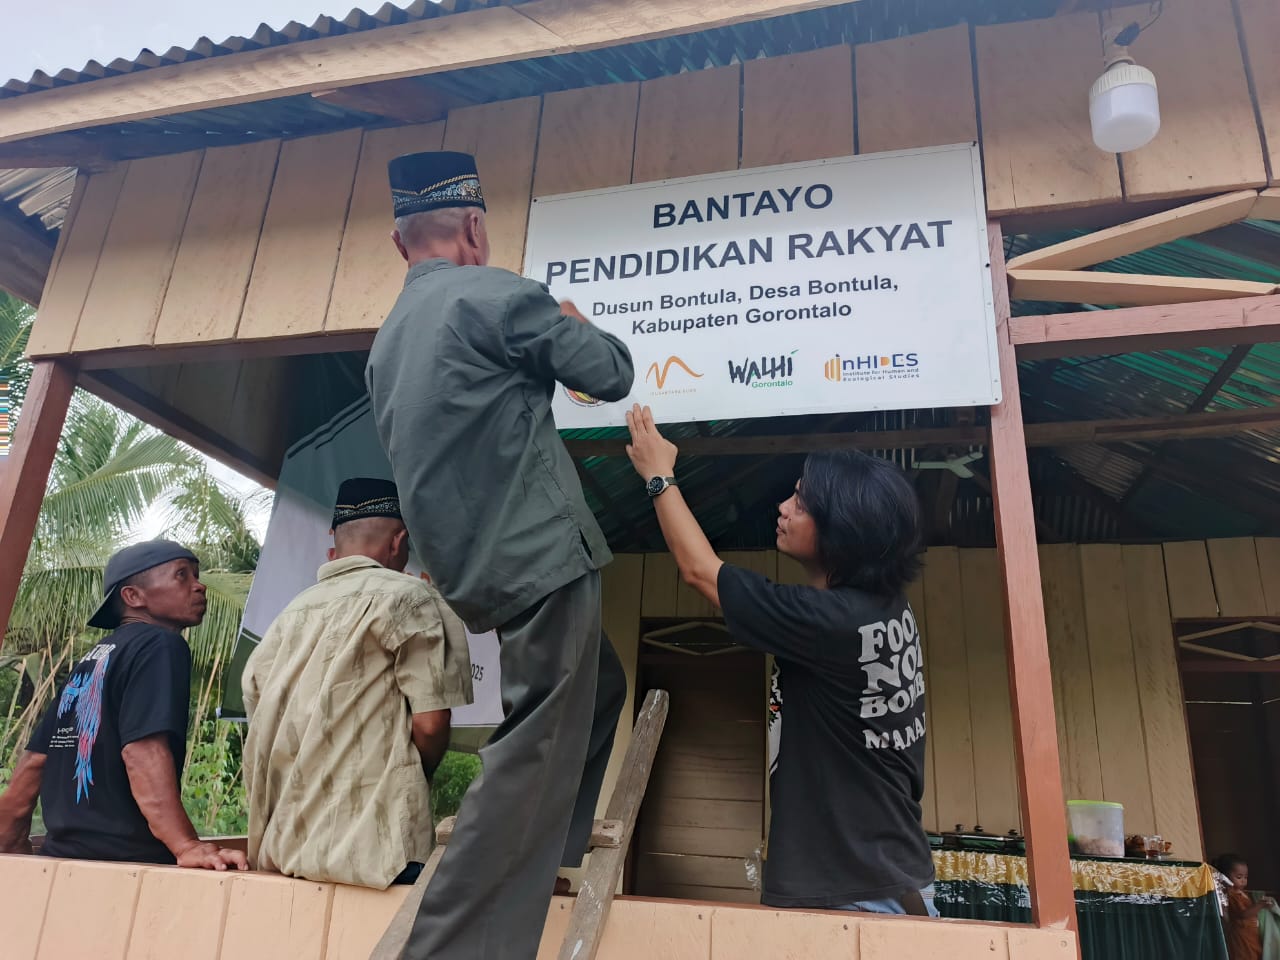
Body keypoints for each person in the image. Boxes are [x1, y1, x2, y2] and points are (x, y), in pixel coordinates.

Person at [365, 151, 633, 959]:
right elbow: (609, 373)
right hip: (541, 556)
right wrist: (578, 326)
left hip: (479, 573)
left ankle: (544, 849)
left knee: (601, 689)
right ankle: (448, 948)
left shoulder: (386, 344)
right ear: (474, 229)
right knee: (531, 750)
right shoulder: (495, 293)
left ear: (398, 242)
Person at [624, 404, 935, 915]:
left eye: (801, 502)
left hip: (850, 901)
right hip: (888, 881)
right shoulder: (885, 608)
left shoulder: (830, 623)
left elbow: (701, 572)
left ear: (842, 529)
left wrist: (659, 475)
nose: (783, 507)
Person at [241, 478, 474, 889]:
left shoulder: (290, 614)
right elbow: (431, 724)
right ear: (399, 540)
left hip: (287, 853)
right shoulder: (408, 597)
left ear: (337, 542)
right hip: (378, 857)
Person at [0, 541, 247, 871]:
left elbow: (35, 760)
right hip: (128, 866)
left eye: (196, 575)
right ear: (133, 597)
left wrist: (12, 845)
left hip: (61, 861)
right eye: (181, 575)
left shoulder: (94, 657)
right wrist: (186, 845)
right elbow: (142, 751)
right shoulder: (160, 644)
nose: (199, 585)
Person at [1215, 853, 1276, 960]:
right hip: (1241, 937)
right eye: (1239, 877)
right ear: (1225, 877)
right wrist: (1260, 905)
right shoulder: (1232, 894)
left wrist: (1264, 906)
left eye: (1246, 877)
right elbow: (1243, 914)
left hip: (1251, 935)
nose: (1243, 880)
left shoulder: (1244, 893)